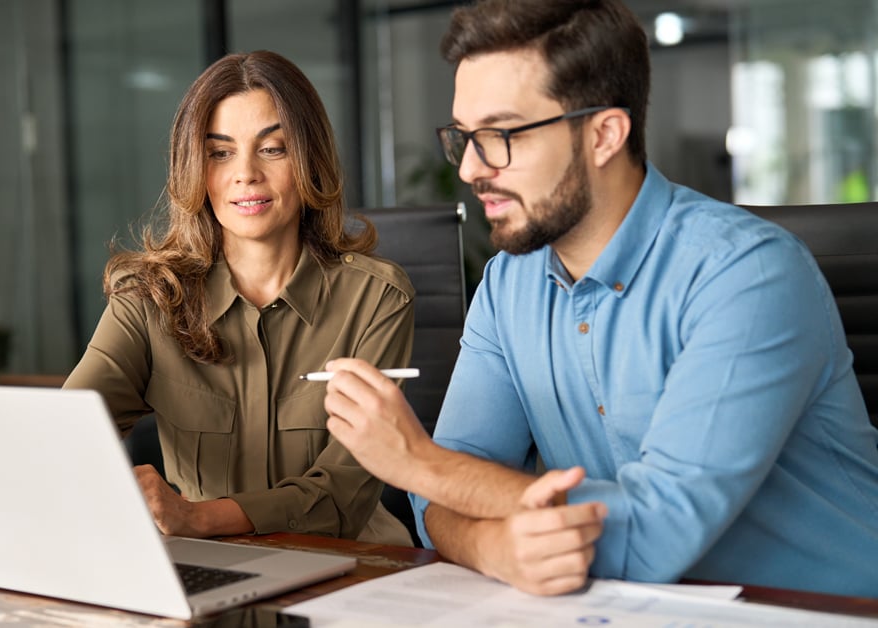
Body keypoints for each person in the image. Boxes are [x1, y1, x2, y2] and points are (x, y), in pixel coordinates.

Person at [321, 0, 878, 597]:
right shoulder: (509, 284)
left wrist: (417, 461)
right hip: (624, 609)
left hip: (818, 610)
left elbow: (652, 535)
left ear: (604, 134)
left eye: (501, 135)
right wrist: (492, 548)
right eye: (465, 137)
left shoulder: (748, 275)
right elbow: (441, 500)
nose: (471, 169)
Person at [64, 50, 415, 547]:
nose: (245, 173)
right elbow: (68, 430)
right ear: (194, 167)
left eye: (272, 149)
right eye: (220, 153)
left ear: (310, 160)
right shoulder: (147, 298)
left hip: (353, 564)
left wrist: (197, 518)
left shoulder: (376, 298)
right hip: (205, 564)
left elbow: (342, 493)